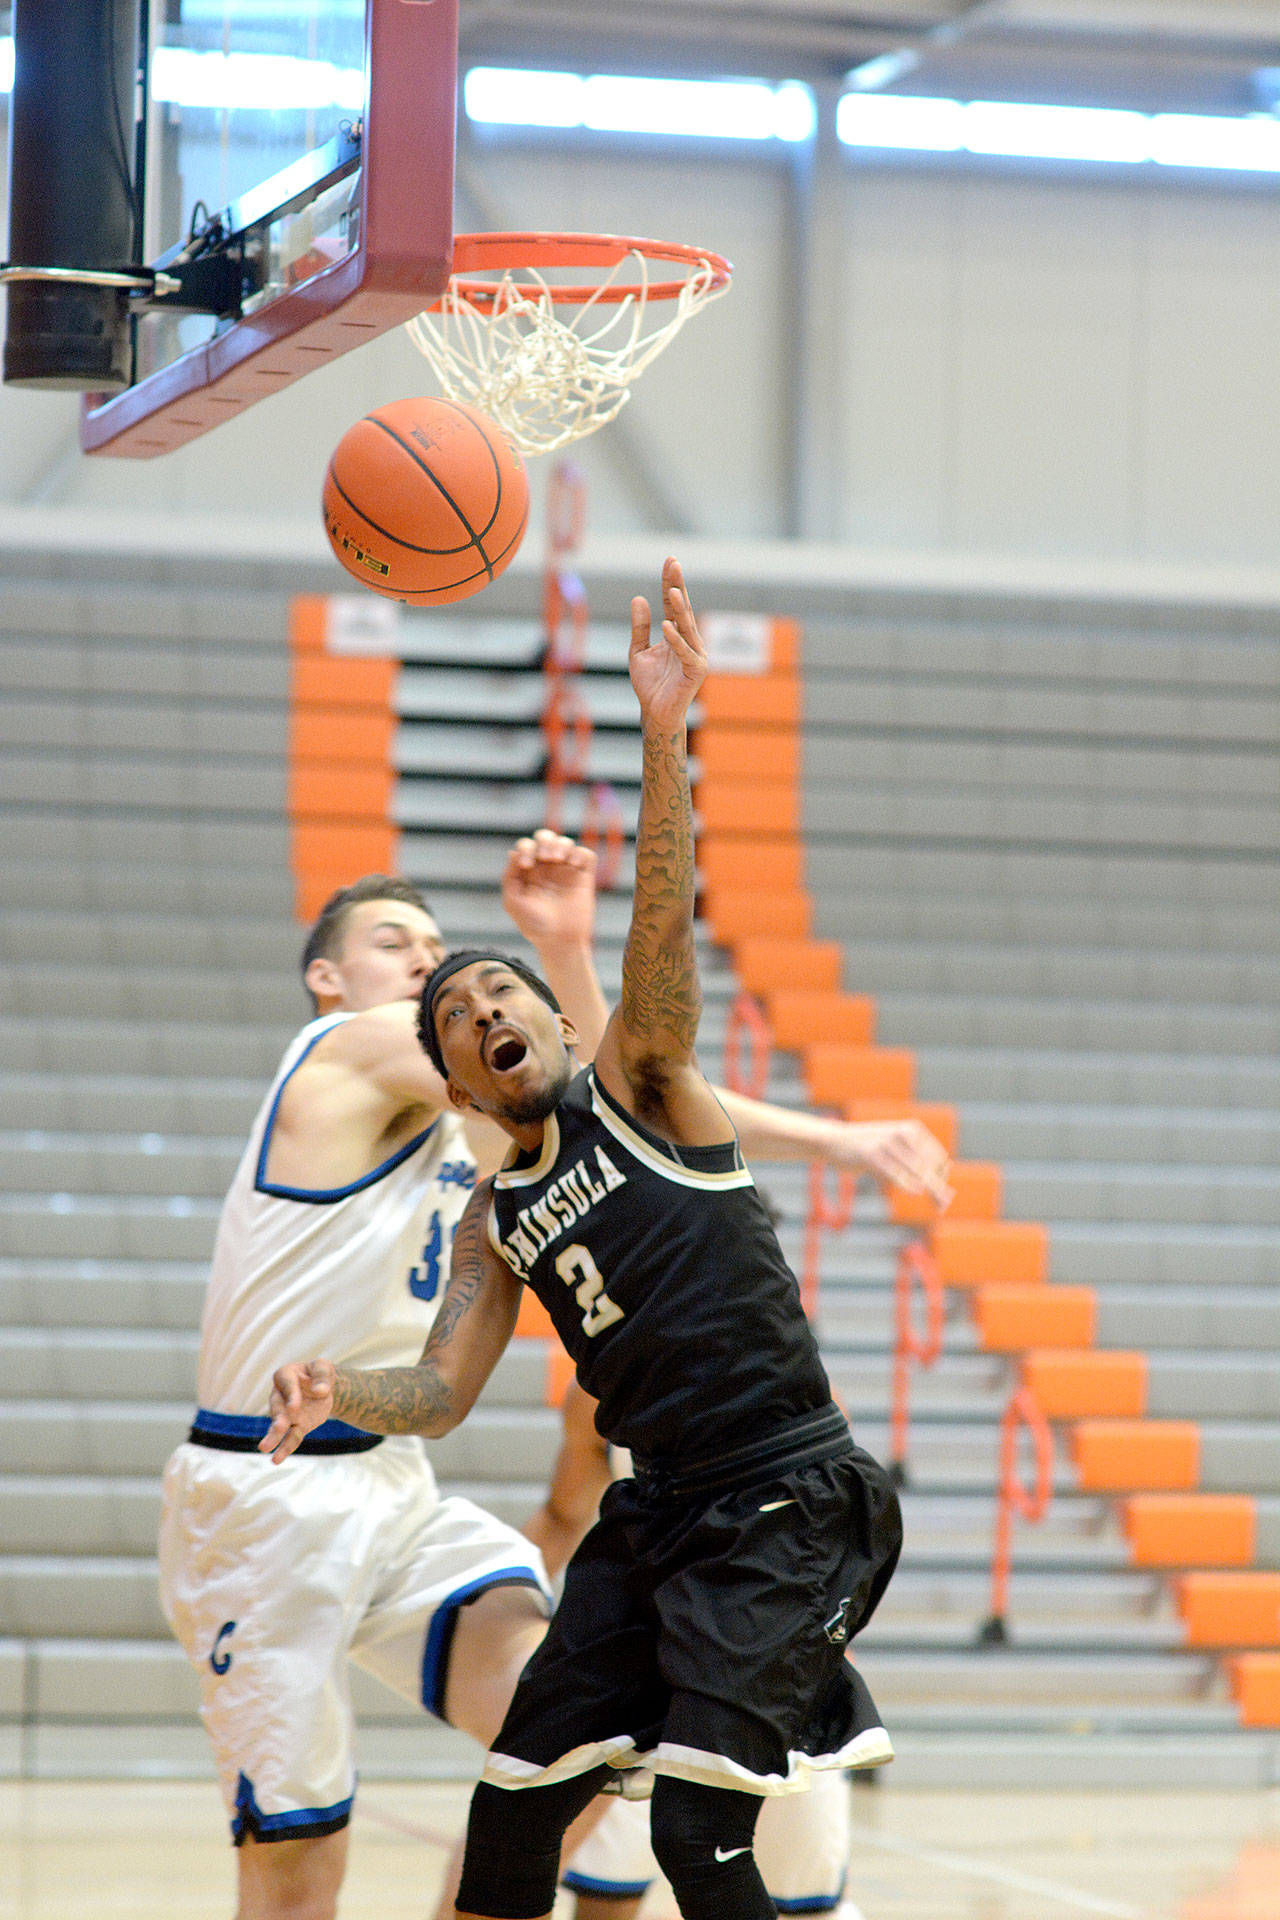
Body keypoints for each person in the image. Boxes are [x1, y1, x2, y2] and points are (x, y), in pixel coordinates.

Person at [262, 558, 907, 1920]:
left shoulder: (652, 1085)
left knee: (695, 1840)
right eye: (455, 1019)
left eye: (505, 990)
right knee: (511, 1823)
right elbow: (436, 1396)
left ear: (561, 1027)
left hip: (786, 1502)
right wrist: (339, 1387)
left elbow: (661, 922)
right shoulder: (496, 1220)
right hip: (658, 1513)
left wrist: (664, 737)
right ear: (457, 1084)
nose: (485, 1010)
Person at [162, 823, 947, 1920]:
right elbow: (572, 1063)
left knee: (567, 1760)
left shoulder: (484, 1128)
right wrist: (838, 1140)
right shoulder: (347, 1051)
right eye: (401, 948)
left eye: (445, 946)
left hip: (403, 1490)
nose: (432, 966)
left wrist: (570, 945)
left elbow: (617, 1091)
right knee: (300, 1860)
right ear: (327, 978)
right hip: (263, 1495)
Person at [528, 1381, 868, 1920]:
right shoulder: (599, 1389)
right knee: (605, 1895)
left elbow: (841, 1544)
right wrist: (492, 1597)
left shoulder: (790, 1377)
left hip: (771, 1676)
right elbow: (563, 1518)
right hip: (645, 1674)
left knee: (805, 1905)